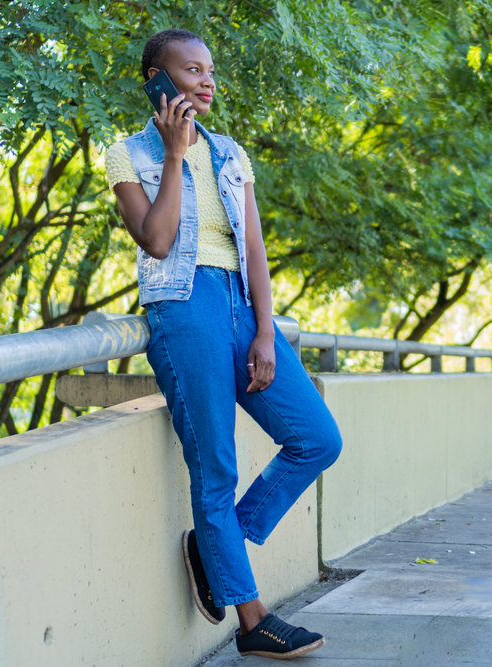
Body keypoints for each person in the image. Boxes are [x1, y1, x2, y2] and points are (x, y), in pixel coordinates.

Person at [106, 28, 342, 660]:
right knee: (215, 467)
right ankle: (251, 621)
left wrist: (266, 330)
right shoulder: (127, 155)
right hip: (184, 310)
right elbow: (156, 240)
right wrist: (176, 155)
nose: (207, 81)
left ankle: (216, 548)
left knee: (318, 438)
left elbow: (255, 251)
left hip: (241, 307)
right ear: (157, 81)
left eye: (210, 70)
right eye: (191, 71)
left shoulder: (233, 153)